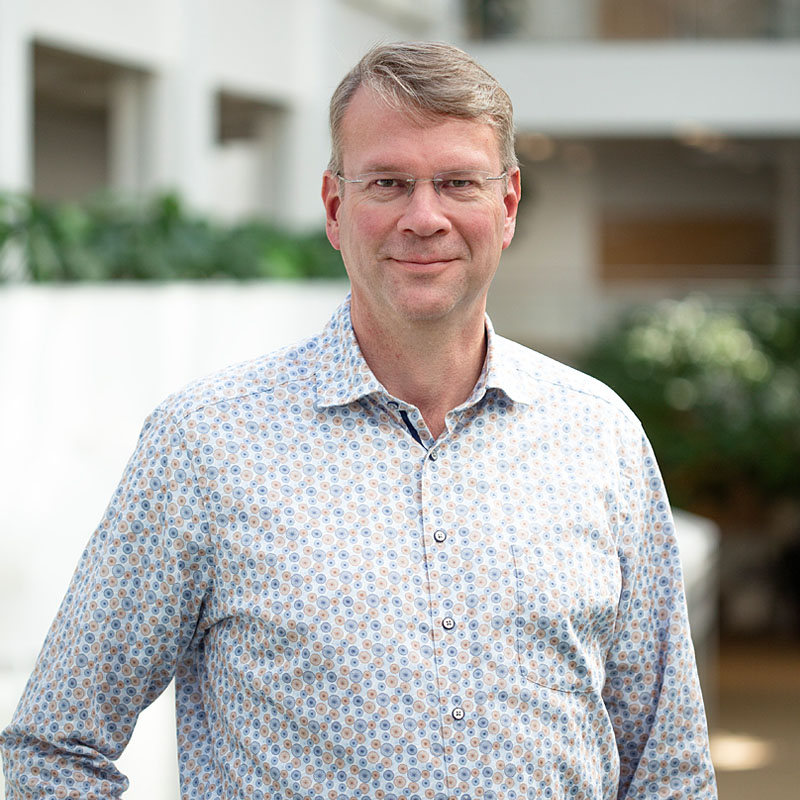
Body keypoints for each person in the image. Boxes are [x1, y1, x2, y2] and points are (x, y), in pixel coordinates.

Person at [1, 41, 717, 799]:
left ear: (506, 206)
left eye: (457, 182)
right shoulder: (206, 444)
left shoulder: (600, 436)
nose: (424, 217)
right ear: (336, 208)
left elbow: (666, 766)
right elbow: (54, 748)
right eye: (387, 183)